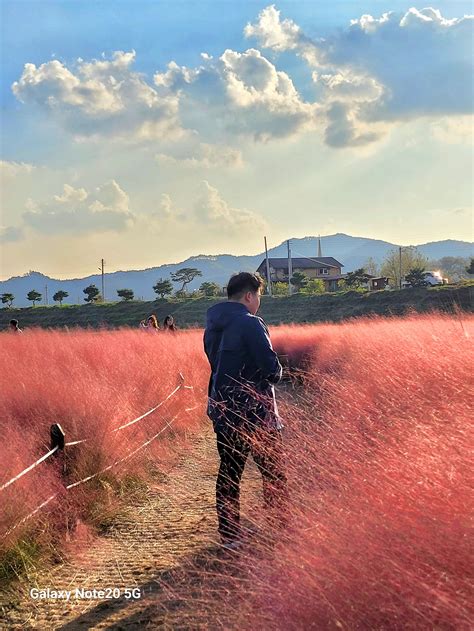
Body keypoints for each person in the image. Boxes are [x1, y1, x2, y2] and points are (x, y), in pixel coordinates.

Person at [203, 271, 288, 549]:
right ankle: (279, 529)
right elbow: (270, 369)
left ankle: (229, 535)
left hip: (223, 409)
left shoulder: (212, 326)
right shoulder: (251, 323)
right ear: (249, 295)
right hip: (256, 412)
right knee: (273, 472)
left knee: (229, 472)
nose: (258, 302)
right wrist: (277, 371)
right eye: (258, 296)